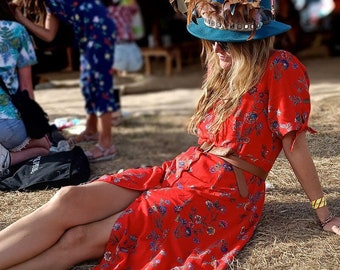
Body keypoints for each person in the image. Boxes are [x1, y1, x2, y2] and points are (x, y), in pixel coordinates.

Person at [0, 0, 339, 269]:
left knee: (81, 239)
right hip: (183, 169)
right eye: (214, 39)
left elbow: (294, 145)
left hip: (220, 195)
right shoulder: (220, 66)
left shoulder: (281, 67)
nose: (217, 48)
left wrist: (323, 212)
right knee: (69, 198)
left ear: (252, 40)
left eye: (228, 42)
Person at [10, 0, 118, 162]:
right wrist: (20, 17)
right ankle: (91, 130)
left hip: (99, 29)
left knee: (100, 84)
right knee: (88, 82)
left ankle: (106, 145)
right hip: (85, 34)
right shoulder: (49, 5)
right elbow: (49, 35)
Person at [0, 0, 51, 176]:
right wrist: (36, 125)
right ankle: (7, 158)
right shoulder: (15, 30)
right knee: (45, 146)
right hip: (7, 121)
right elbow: (26, 86)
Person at [103, 0, 144, 126]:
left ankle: (114, 113)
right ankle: (116, 111)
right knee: (114, 82)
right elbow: (139, 31)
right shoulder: (129, 9)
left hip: (117, 48)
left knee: (110, 81)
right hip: (129, 47)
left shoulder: (108, 11)